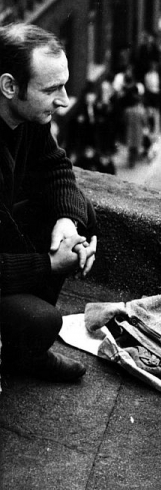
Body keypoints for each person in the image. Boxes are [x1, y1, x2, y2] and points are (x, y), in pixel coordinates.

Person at [0, 23, 98, 382]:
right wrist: (50, 264)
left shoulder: (27, 115)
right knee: (42, 320)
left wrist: (69, 225)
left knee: (77, 212)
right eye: (52, 89)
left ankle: (25, 348)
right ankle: (21, 352)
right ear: (10, 86)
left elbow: (56, 166)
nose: (65, 100)